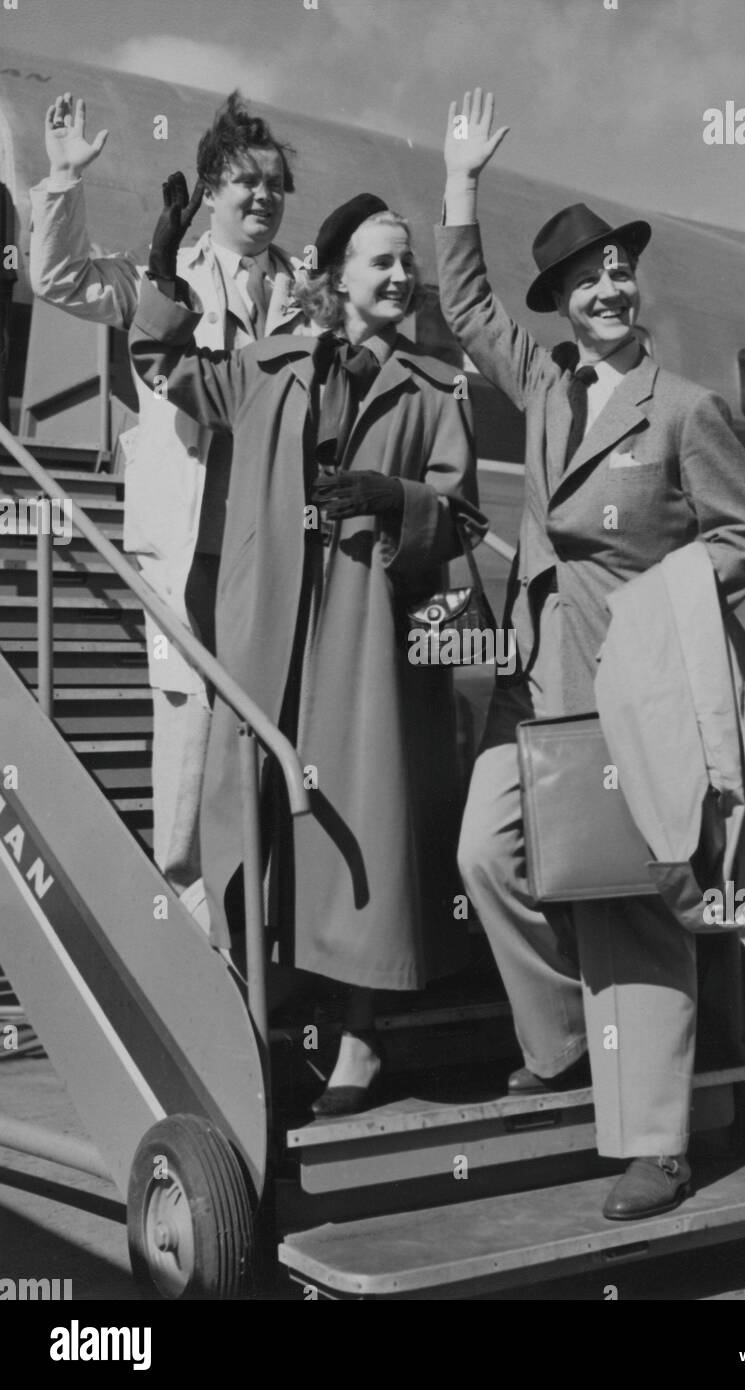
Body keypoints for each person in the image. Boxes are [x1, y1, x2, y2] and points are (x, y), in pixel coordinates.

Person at [437, 91, 745, 1219]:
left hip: (638, 689)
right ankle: (569, 1041)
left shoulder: (684, 410)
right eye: (585, 282)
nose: (607, 289)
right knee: (489, 853)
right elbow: (467, 302)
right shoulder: (544, 389)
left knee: (629, 906)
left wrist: (664, 613)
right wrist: (460, 185)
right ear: (567, 306)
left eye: (618, 271)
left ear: (635, 284)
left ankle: (655, 1144)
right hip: (540, 677)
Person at [129, 190, 485, 1111]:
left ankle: (362, 1040)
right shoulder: (264, 366)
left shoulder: (438, 388)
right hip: (270, 641)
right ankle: (263, 1027)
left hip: (367, 644)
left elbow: (464, 516)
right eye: (383, 262)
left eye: (408, 262)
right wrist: (164, 271)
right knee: (260, 827)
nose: (403, 276)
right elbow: (166, 367)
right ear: (335, 278)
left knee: (361, 831)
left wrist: (397, 502)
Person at [29, 91, 312, 896]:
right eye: (245, 182)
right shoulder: (165, 274)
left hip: (278, 546)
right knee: (188, 732)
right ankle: (190, 921)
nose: (263, 197)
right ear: (210, 190)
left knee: (270, 735)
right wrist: (62, 181)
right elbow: (57, 278)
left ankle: (267, 924)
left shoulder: (305, 290)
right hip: (188, 547)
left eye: (275, 184)